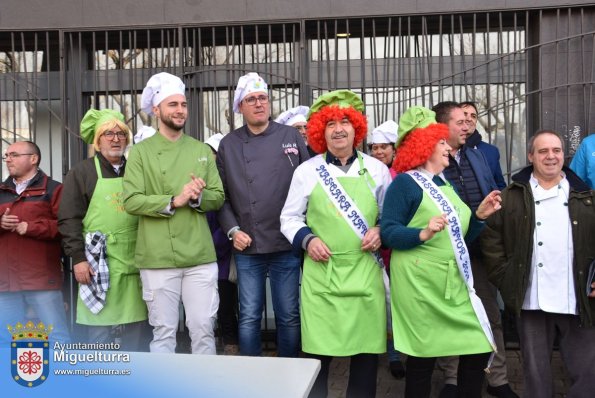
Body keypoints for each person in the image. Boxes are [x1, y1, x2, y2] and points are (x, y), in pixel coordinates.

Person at [381, 106, 502, 398]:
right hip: (421, 287)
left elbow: (459, 235)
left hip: (452, 283)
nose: (448, 147)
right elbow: (388, 232)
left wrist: (480, 217)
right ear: (425, 145)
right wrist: (421, 233)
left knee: (477, 347)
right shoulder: (405, 184)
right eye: (441, 142)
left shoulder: (444, 183)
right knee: (423, 359)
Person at [280, 90, 391, 398]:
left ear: (357, 128)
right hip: (322, 276)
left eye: (345, 121)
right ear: (320, 131)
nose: (339, 129)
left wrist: (381, 230)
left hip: (365, 274)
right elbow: (288, 219)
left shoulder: (378, 170)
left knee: (366, 356)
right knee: (317, 358)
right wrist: (308, 239)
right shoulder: (307, 171)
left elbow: (390, 217)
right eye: (330, 124)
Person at [482, 130, 595, 398]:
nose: (551, 156)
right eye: (543, 151)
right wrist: (506, 278)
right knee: (536, 373)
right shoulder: (511, 195)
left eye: (556, 150)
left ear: (563, 155)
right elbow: (491, 239)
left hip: (578, 296)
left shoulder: (586, 196)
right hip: (531, 298)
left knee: (589, 371)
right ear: (530, 156)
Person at [123, 72, 225, 354]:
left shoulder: (200, 149)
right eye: (173, 105)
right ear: (156, 110)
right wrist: (174, 199)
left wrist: (197, 197)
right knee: (164, 332)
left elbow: (218, 196)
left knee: (203, 328)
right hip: (157, 257)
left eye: (183, 104)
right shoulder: (140, 153)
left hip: (199, 256)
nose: (180, 110)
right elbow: (131, 200)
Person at [216, 72, 309, 358]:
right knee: (249, 317)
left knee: (289, 316)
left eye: (263, 98)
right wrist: (233, 231)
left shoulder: (290, 135)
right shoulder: (229, 145)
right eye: (251, 99)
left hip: (285, 243)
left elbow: (309, 184)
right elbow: (221, 197)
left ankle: (291, 374)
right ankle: (252, 376)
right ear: (240, 107)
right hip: (248, 244)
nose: (259, 104)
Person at [433, 101, 518, 398]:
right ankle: (452, 379)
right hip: (445, 251)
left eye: (470, 120)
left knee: (490, 313)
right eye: (460, 121)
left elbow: (495, 191)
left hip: (480, 249)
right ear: (443, 127)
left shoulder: (478, 155)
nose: (467, 125)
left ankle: (497, 379)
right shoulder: (430, 160)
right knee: (450, 315)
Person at [58, 109, 149, 350]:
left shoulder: (137, 170)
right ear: (98, 141)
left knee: (135, 328)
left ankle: (133, 379)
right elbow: (68, 219)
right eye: (108, 133)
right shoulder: (82, 172)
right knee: (99, 332)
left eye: (121, 133)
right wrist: (77, 258)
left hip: (135, 259)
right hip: (97, 261)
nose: (116, 138)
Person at [0, 141, 70, 344]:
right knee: (6, 340)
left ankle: (64, 375)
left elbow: (67, 227)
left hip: (41, 279)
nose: (8, 159)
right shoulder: (1, 190)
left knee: (56, 336)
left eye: (14, 155)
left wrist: (31, 228)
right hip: (5, 282)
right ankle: (6, 377)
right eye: (6, 156)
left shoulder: (55, 189)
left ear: (33, 159)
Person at [367, 118, 405, 379]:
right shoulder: (367, 171)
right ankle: (391, 355)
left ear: (395, 148)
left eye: (384, 147)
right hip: (374, 250)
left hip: (399, 252)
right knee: (385, 304)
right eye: (374, 147)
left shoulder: (402, 174)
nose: (379, 152)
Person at [205, 132, 239, 355]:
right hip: (201, 254)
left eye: (210, 153)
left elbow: (227, 217)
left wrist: (213, 243)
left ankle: (231, 343)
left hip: (222, 256)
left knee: (226, 302)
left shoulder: (226, 182)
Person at [460, 101, 507, 190]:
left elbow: (500, 186)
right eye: (464, 114)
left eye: (473, 116)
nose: (469, 119)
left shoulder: (491, 151)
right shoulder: (446, 148)